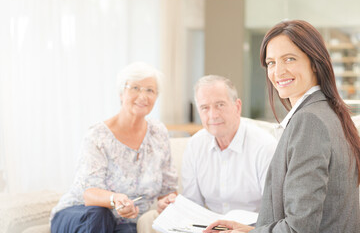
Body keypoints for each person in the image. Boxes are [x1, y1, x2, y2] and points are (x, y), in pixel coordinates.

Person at [205, 20, 360, 233]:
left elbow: (299, 228)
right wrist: (250, 230)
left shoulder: (309, 121)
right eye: (271, 63)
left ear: (315, 62)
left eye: (289, 59)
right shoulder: (329, 112)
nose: (278, 71)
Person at [137, 75, 277, 233]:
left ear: (237, 107)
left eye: (220, 105)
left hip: (252, 229)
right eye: (205, 108)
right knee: (150, 219)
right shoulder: (195, 145)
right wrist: (175, 207)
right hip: (209, 227)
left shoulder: (265, 147)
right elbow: (193, 203)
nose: (213, 115)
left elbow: (274, 214)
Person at [50, 62, 178, 233]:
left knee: (129, 229)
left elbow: (168, 190)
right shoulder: (98, 135)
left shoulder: (159, 133)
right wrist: (115, 199)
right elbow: (89, 193)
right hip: (81, 214)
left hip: (127, 222)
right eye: (135, 88)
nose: (143, 96)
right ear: (121, 93)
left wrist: (166, 202)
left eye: (150, 90)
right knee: (99, 215)